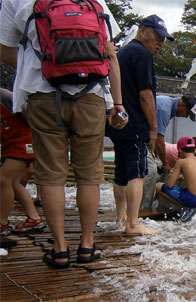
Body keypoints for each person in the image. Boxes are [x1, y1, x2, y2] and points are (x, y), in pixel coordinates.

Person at [0, 0, 125, 268]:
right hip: (90, 95)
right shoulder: (95, 2)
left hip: (42, 94)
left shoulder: (18, 0)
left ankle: (59, 249)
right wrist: (118, 104)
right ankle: (87, 245)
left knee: (50, 172)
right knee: (90, 173)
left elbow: (6, 51)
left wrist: (40, 69)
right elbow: (111, 54)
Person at [105, 14, 174, 235]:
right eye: (157, 37)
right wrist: (153, 128)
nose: (160, 44)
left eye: (163, 40)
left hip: (118, 122)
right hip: (134, 123)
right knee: (137, 173)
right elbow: (146, 95)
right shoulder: (142, 54)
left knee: (121, 172)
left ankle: (121, 217)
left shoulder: (123, 52)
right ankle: (133, 224)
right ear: (143, 30)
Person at [0, 89, 45, 236]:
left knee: (3, 180)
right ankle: (34, 219)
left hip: (23, 142)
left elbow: (30, 114)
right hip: (9, 144)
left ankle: (2, 223)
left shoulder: (4, 96)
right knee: (14, 183)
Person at [155, 137, 196, 222]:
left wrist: (178, 177)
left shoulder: (180, 162)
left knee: (158, 186)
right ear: (195, 151)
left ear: (179, 151)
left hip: (191, 200)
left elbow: (170, 185)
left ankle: (185, 207)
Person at [155, 94, 196, 174]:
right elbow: (158, 141)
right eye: (187, 113)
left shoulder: (167, 103)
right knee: (150, 172)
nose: (186, 116)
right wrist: (165, 164)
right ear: (183, 106)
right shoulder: (164, 110)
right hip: (134, 135)